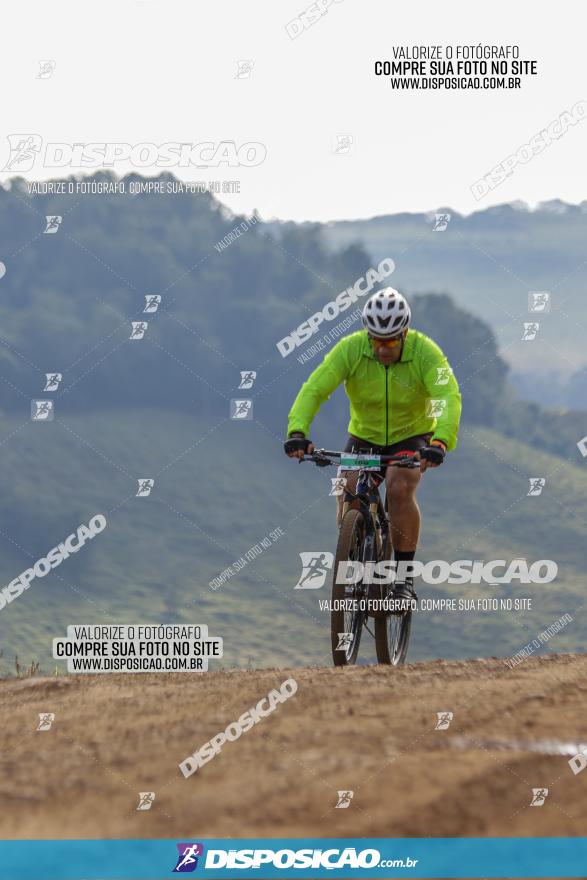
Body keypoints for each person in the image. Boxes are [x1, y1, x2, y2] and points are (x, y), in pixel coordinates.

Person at [283, 288, 462, 601]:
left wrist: (440, 441)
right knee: (347, 490)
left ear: (404, 333)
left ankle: (403, 578)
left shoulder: (426, 352)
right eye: (376, 340)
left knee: (398, 487)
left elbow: (447, 397)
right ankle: (357, 550)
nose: (382, 349)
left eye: (390, 341)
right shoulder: (350, 349)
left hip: (411, 436)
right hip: (364, 437)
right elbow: (314, 388)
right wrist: (298, 432)